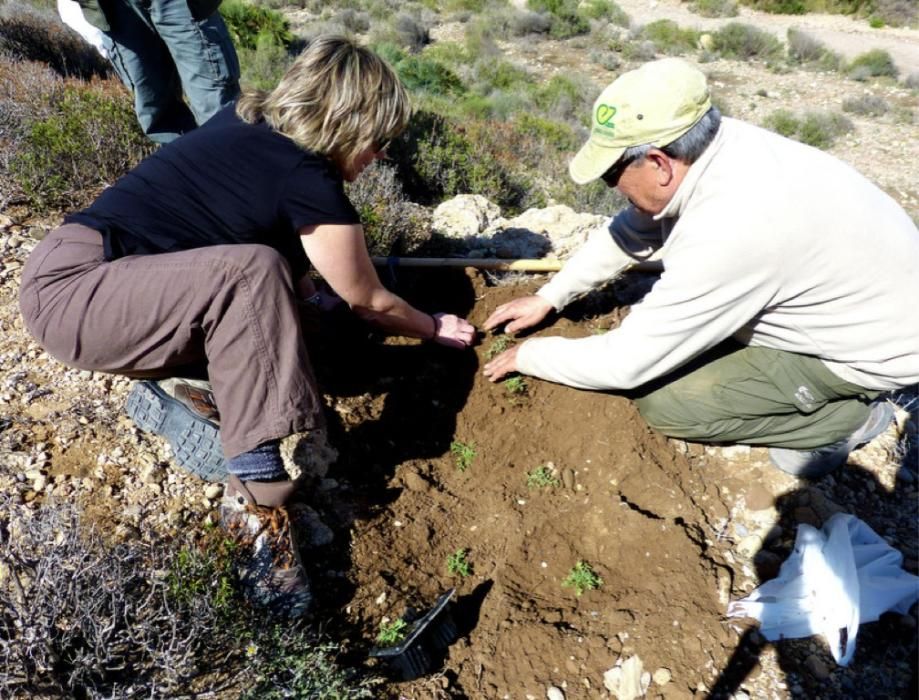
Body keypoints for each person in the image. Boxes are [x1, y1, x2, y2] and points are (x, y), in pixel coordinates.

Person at [19, 36, 476, 618]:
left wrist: (316, 307)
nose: (381, 156)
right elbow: (367, 299)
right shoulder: (307, 176)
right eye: (379, 141)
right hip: (79, 294)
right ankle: (258, 505)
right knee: (253, 274)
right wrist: (431, 326)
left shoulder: (244, 125)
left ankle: (190, 386)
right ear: (347, 123)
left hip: (84, 278)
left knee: (275, 287)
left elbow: (286, 265)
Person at [483, 58, 918, 479]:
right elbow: (633, 231)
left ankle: (848, 420)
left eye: (611, 173)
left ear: (658, 162)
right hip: (857, 298)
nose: (611, 187)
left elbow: (627, 364)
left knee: (670, 404)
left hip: (868, 354)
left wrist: (531, 355)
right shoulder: (720, 145)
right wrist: (551, 295)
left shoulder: (735, 228)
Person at [57, 0, 240, 143]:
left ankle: (244, 177)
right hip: (112, 8)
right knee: (158, 116)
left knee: (217, 104)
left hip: (178, 4)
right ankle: (194, 180)